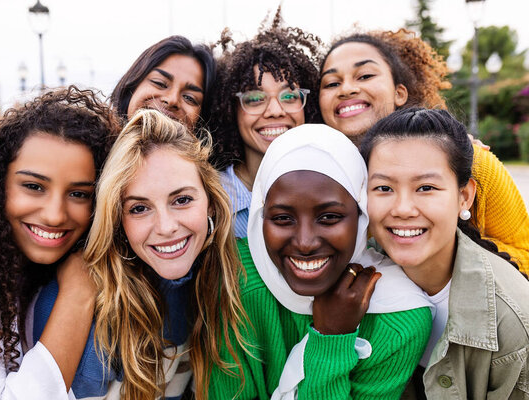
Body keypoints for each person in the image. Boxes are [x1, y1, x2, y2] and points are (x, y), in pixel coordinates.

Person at [209, 124, 433, 399]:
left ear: (362, 218)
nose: (305, 243)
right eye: (282, 218)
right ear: (260, 216)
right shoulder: (233, 278)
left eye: (329, 218)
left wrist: (331, 339)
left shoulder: (400, 318)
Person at [0, 87, 120, 398]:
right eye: (34, 186)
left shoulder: (17, 261)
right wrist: (78, 293)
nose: (56, 215)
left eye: (79, 194)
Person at [56, 109, 246, 400]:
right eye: (139, 208)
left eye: (182, 200)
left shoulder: (223, 279)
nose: (167, 227)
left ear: (210, 201)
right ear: (118, 220)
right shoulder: (86, 309)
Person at [318, 29, 529, 273]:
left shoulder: (472, 162)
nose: (346, 89)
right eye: (332, 83)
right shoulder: (316, 175)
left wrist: (439, 255)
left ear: (399, 93)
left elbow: (524, 254)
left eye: (364, 76)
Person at [361, 107, 529, 399]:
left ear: (464, 196)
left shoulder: (511, 321)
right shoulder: (350, 284)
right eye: (384, 187)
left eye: (425, 187)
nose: (402, 209)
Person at [209, 8, 323, 238]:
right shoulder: (210, 197)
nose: (275, 111)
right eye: (254, 98)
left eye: (289, 96)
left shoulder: (330, 182)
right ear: (232, 110)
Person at [110, 35, 215, 130]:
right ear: (133, 85)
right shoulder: (95, 146)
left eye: (189, 98)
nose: (172, 100)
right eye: (160, 83)